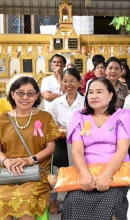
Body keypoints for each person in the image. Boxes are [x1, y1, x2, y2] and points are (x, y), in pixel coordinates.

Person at [0, 76, 60, 220]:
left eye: (30, 93)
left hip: (35, 171)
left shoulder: (45, 117)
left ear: (37, 96)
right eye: (20, 93)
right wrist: (7, 161)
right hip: (5, 171)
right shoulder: (2, 119)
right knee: (2, 199)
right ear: (13, 94)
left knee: (26, 199)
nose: (25, 97)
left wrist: (29, 160)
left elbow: (51, 147)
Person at [63, 78, 130, 220]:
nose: (94, 96)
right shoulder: (79, 116)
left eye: (99, 92)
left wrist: (107, 174)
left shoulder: (121, 116)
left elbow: (122, 149)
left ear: (110, 96)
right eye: (90, 92)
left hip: (116, 171)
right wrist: (84, 174)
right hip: (86, 171)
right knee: (73, 200)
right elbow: (77, 150)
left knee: (110, 202)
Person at [48, 68, 85, 214]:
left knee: (81, 164)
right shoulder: (56, 103)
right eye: (65, 81)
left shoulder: (85, 101)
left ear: (79, 82)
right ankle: (53, 199)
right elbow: (51, 125)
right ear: (61, 83)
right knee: (54, 161)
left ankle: (77, 198)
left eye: (72, 81)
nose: (68, 84)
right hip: (62, 140)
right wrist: (60, 129)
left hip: (82, 140)